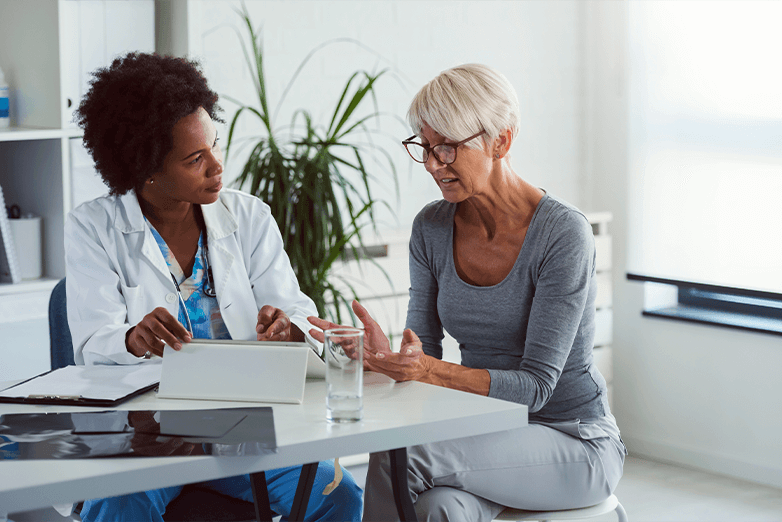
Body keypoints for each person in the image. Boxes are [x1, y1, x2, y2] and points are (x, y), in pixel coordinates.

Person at [309, 63, 627, 522]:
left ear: (501, 141)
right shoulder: (432, 227)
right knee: (441, 509)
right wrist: (385, 362)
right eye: (425, 147)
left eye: (448, 148)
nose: (434, 164)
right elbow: (424, 354)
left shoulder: (562, 233)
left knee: (404, 454)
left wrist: (425, 370)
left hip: (575, 440)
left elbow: (536, 389)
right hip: (487, 434)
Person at [65, 52, 362, 522]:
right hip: (147, 430)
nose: (217, 167)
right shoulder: (93, 227)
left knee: (337, 494)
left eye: (215, 146)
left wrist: (289, 327)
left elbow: (298, 311)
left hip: (242, 423)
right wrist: (131, 338)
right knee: (120, 504)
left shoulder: (249, 218)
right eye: (195, 159)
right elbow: (92, 341)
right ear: (146, 168)